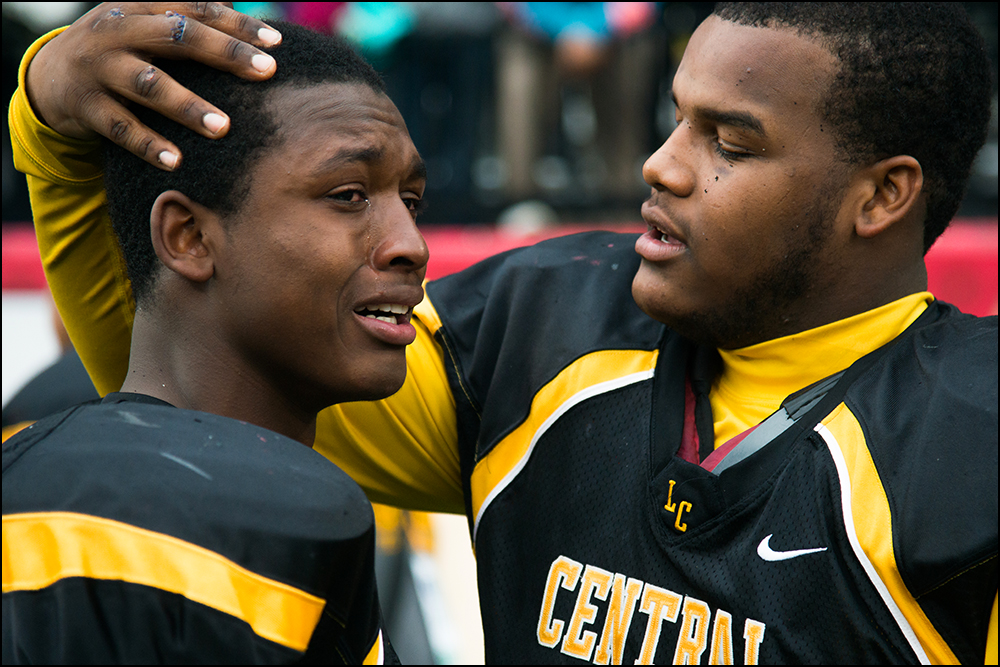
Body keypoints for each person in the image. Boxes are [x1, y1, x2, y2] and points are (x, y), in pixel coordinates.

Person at [9, 2, 997, 664]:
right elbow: (199, 348)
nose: (659, 165)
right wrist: (51, 122)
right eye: (674, 121)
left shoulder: (973, 439)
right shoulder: (549, 323)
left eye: (728, 144)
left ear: (881, 196)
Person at [3, 7, 432, 663]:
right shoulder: (273, 514)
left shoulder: (30, 471)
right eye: (349, 195)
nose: (412, 245)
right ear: (188, 236)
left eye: (413, 202)